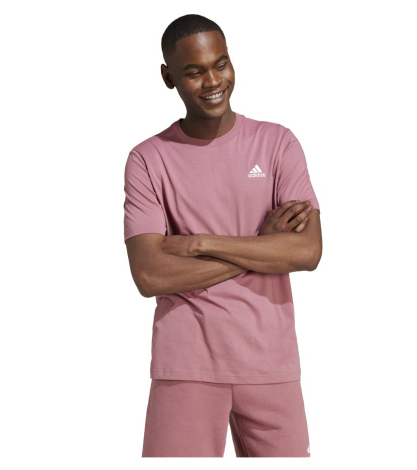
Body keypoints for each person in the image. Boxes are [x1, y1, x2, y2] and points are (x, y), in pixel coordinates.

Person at [123, 14, 322, 458]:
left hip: (271, 361)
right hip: (186, 363)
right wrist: (263, 245)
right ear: (168, 77)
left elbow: (307, 251)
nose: (213, 81)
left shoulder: (278, 144)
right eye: (194, 71)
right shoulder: (148, 159)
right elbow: (150, 275)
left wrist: (197, 244)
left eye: (221, 64)